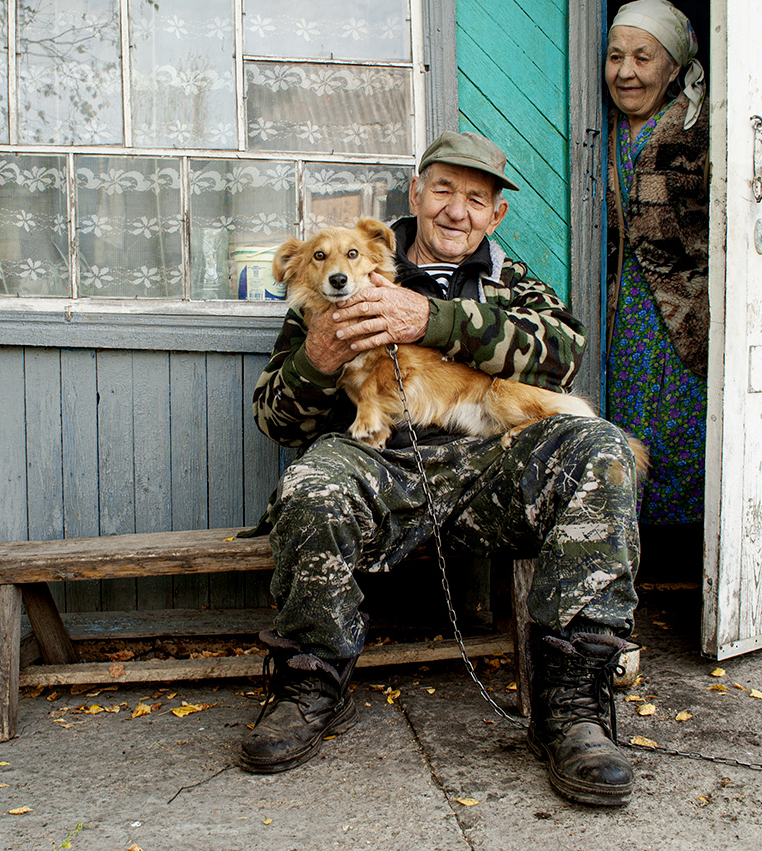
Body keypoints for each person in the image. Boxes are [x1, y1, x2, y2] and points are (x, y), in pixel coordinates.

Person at [241, 131, 643, 807]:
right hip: (379, 459)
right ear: (417, 195)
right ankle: (309, 682)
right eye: (445, 192)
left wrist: (434, 319)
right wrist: (320, 356)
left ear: (496, 216)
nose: (458, 211)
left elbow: (561, 358)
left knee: (597, 448)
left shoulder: (512, 282)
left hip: (489, 461)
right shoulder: (342, 266)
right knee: (310, 485)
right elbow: (275, 420)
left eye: (477, 199)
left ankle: (571, 704)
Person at [603, 0, 710, 538]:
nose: (626, 72)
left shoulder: (704, 124)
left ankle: (685, 546)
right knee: (626, 421)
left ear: (672, 67)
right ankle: (626, 536)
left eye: (643, 58)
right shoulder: (599, 129)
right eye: (615, 56)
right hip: (621, 308)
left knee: (683, 421)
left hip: (686, 308)